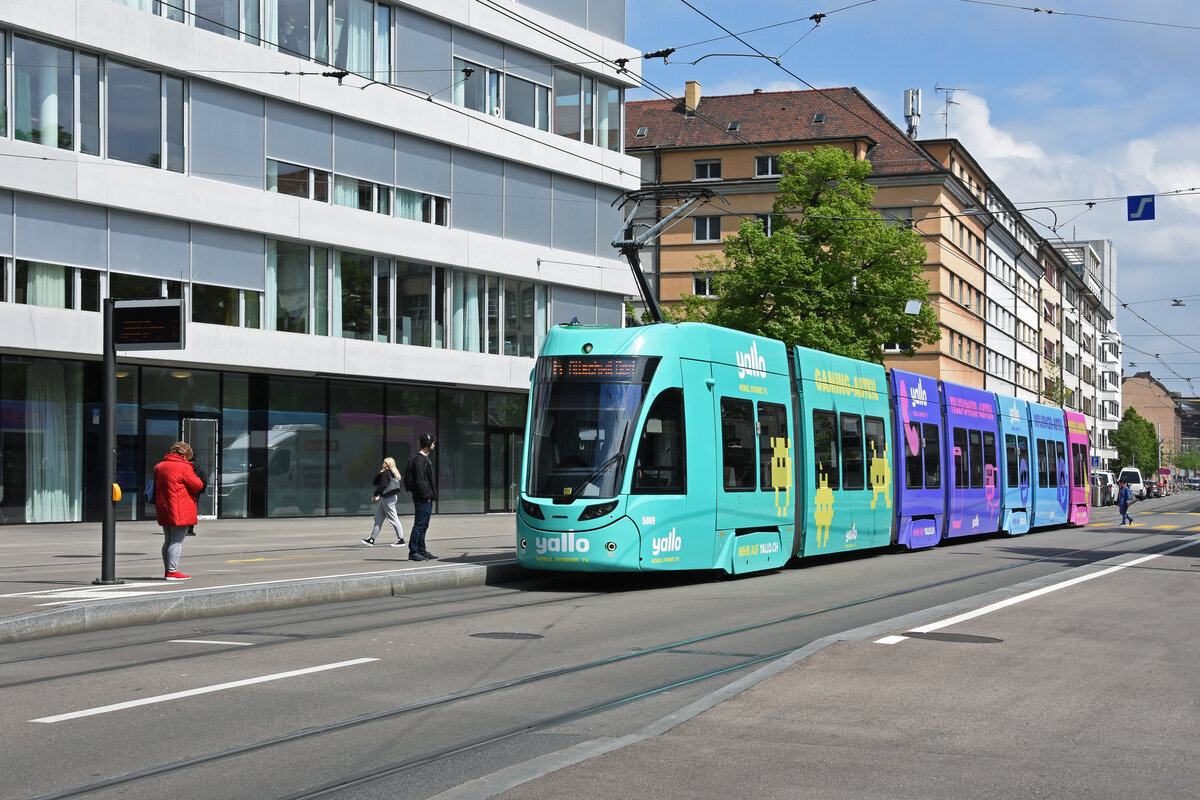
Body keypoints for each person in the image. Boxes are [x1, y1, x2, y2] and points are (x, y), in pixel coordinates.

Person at [153, 441, 204, 581]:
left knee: (168, 540)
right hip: (180, 508)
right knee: (177, 540)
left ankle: (168, 571)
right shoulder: (183, 467)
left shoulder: (159, 466)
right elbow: (197, 485)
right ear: (185, 454)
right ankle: (172, 572)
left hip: (164, 507)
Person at [403, 433, 438, 561]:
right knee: (419, 525)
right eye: (433, 442)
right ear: (428, 444)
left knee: (424, 525)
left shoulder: (423, 459)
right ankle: (413, 551)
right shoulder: (419, 460)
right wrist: (426, 495)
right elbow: (420, 480)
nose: (434, 444)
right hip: (423, 498)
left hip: (426, 497)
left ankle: (422, 550)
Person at [362, 457, 405, 547]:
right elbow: (375, 482)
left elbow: (382, 486)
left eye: (385, 462)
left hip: (388, 499)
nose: (383, 464)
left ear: (388, 464)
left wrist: (375, 494)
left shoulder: (387, 473)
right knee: (378, 518)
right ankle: (371, 539)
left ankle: (401, 539)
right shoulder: (393, 473)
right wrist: (379, 474)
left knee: (393, 519)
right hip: (388, 497)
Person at [187, 457, 208, 536]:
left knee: (184, 509)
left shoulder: (185, 468)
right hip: (196, 492)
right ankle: (190, 529)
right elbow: (204, 481)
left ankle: (183, 528)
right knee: (193, 510)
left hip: (185, 491)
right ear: (196, 459)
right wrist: (201, 490)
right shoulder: (200, 469)